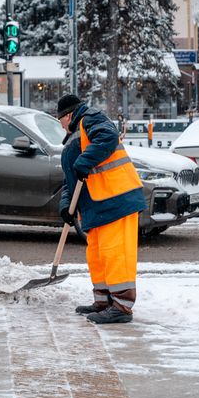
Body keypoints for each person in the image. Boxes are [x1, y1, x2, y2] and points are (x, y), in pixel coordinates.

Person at [56, 94, 146, 324]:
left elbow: (107, 137)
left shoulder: (90, 119)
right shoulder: (73, 137)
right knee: (97, 254)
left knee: (115, 252)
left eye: (60, 119)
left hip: (116, 198)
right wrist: (67, 205)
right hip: (97, 204)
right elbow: (72, 178)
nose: (60, 124)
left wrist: (85, 160)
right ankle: (104, 300)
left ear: (68, 115)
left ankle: (122, 306)